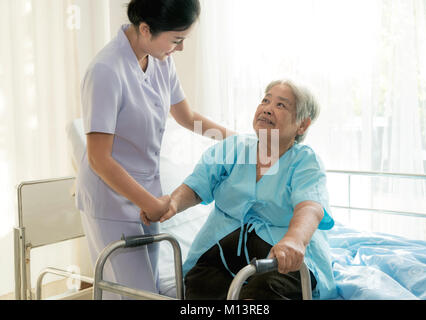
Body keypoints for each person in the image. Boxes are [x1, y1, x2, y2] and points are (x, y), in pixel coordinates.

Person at [76, 0, 233, 299]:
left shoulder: (160, 59)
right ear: (146, 29)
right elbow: (98, 158)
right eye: (176, 40)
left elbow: (187, 118)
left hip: (147, 195)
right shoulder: (106, 70)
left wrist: (240, 141)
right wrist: (150, 203)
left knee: (149, 291)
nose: (181, 48)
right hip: (111, 199)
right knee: (137, 294)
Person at [144, 80, 338, 300]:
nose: (267, 108)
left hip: (279, 253)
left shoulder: (305, 161)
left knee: (263, 291)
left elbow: (310, 207)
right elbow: (198, 184)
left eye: (281, 105)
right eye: (266, 100)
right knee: (200, 286)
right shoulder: (233, 147)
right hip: (222, 248)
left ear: (302, 125)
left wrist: (294, 240)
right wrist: (173, 203)